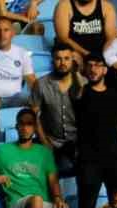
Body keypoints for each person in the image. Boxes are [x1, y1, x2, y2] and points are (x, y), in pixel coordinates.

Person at [72, 54, 117, 208]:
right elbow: (77, 94)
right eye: (89, 65)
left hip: (115, 158)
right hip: (88, 160)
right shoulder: (81, 93)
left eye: (97, 65)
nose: (93, 69)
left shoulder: (116, 96)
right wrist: (77, 72)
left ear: (105, 69)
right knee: (86, 206)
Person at [0, 107, 64, 208]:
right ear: (16, 127)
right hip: (17, 204)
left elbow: (53, 180)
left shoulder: (44, 153)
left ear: (35, 128)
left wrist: (58, 198)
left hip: (45, 205)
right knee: (36, 200)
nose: (25, 128)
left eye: (29, 124)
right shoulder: (3, 151)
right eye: (22, 124)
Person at [33, 43, 82, 171]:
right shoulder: (41, 84)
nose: (62, 63)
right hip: (51, 140)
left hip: (78, 142)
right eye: (58, 59)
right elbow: (34, 117)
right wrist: (45, 142)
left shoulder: (83, 84)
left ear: (72, 60)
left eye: (66, 58)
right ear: (52, 60)